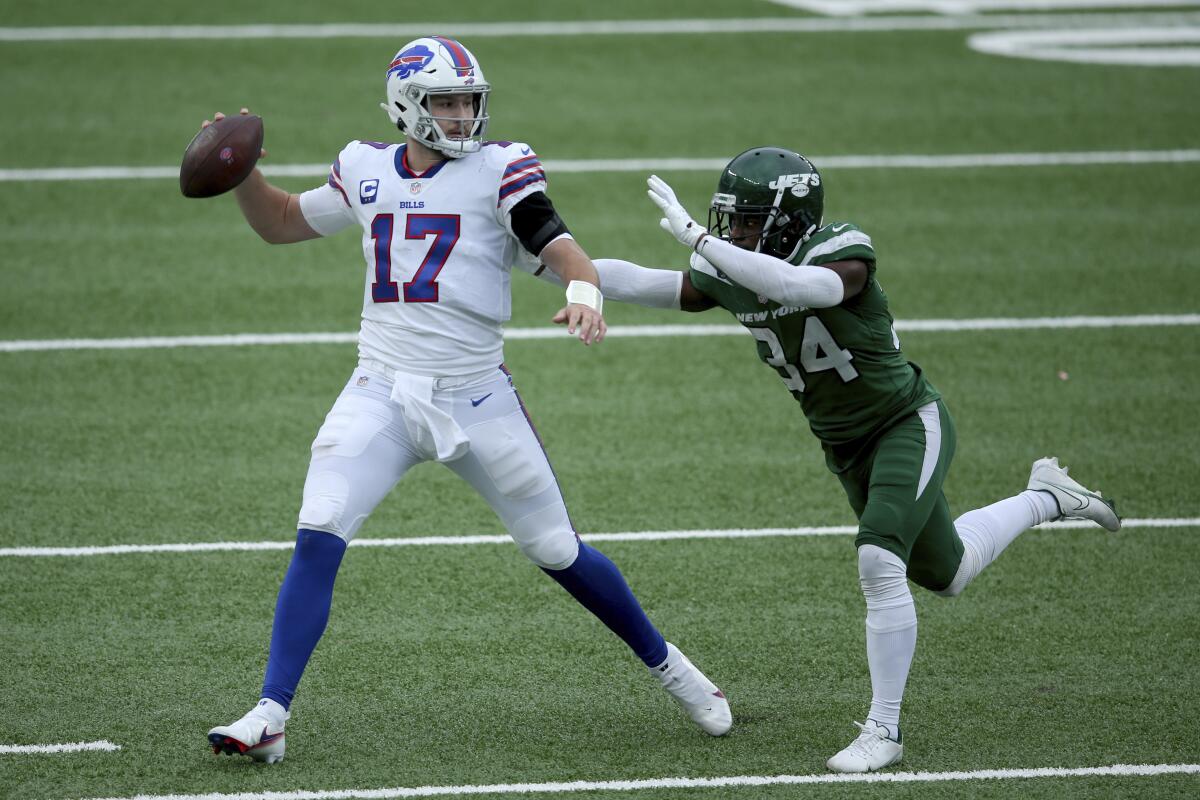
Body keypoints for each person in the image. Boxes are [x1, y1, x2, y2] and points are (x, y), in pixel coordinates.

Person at [202, 36, 730, 764]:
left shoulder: (499, 168)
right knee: (319, 526)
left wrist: (583, 290)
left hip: (478, 396)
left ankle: (672, 667)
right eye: (444, 101)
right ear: (405, 104)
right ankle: (270, 712)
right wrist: (241, 173)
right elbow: (285, 221)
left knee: (556, 549)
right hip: (380, 389)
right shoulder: (363, 168)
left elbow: (557, 241)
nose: (460, 115)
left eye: (467, 101)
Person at [576, 146, 1120, 773]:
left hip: (904, 423)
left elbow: (792, 286)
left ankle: (883, 730)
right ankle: (1048, 495)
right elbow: (644, 282)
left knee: (878, 555)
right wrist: (550, 260)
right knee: (947, 572)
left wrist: (700, 239)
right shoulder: (734, 267)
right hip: (844, 445)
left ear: (787, 217)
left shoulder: (839, 250)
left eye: (749, 219)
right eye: (729, 219)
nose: (736, 231)